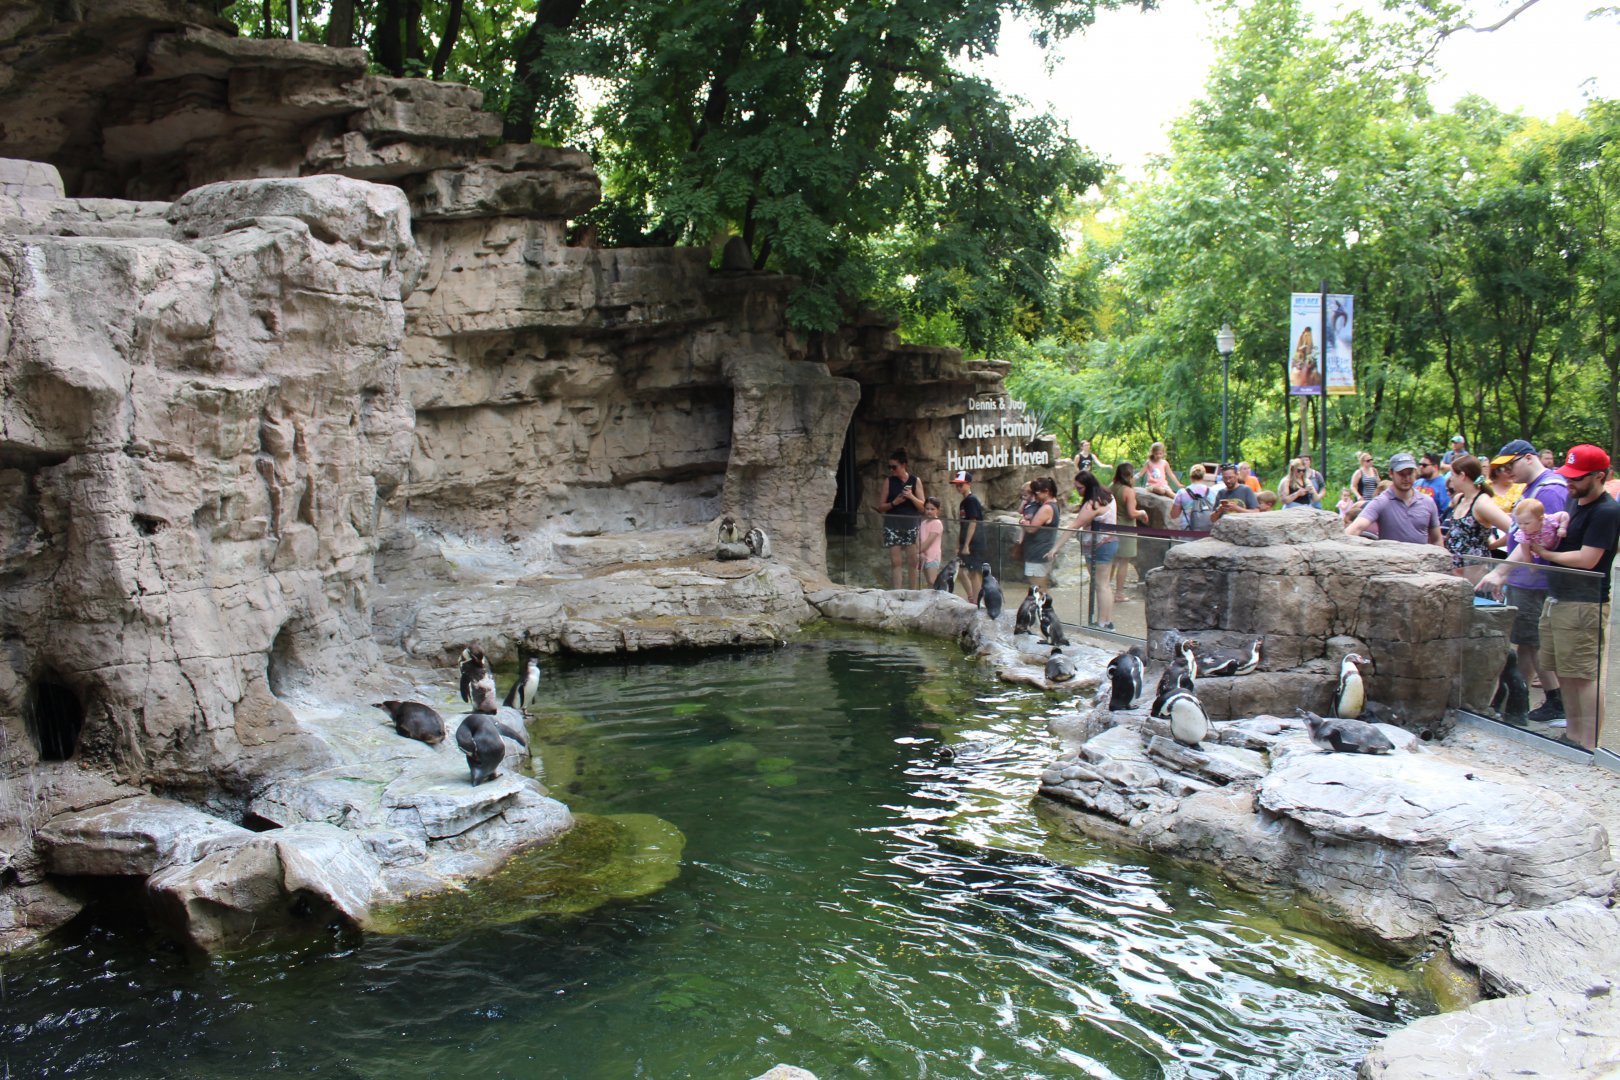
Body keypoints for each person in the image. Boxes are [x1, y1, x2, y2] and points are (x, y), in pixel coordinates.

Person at [1524, 445, 1620, 750]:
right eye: (1569, 476)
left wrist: (1546, 554)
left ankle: (1589, 743)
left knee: (1583, 674)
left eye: (1578, 478)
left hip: (1585, 603)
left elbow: (1589, 559)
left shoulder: (1607, 510)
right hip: (1559, 597)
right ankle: (1573, 734)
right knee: (1564, 670)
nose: (1571, 482)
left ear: (1600, 476)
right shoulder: (1573, 500)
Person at [1477, 439, 1569, 723]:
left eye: (1509, 464)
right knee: (1527, 644)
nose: (1506, 472)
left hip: (1536, 581)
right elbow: (1520, 532)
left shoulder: (1549, 490)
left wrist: (1501, 571)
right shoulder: (1532, 488)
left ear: (1528, 458)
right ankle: (1516, 702)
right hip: (1526, 579)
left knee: (1532, 644)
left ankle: (1551, 701)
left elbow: (1536, 538)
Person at [1344, 452, 1442, 546]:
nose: (1406, 478)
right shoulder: (1382, 502)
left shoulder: (1427, 502)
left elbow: (1437, 539)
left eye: (1410, 473)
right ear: (1391, 473)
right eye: (1401, 474)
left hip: (1421, 560)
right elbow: (1355, 528)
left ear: (1415, 472)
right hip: (1393, 561)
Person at [1442, 455, 1512, 582]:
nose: (1451, 479)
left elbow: (1514, 529)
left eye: (1452, 474)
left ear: (1462, 475)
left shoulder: (1482, 503)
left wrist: (1494, 545)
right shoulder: (1459, 499)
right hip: (1454, 572)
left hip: (1475, 574)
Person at [1072, 470, 1119, 630]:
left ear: (1088, 486)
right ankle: (1105, 620)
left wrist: (1056, 547)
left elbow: (1075, 525)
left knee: (1102, 585)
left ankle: (1102, 623)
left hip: (1100, 546)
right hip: (1106, 543)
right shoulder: (1107, 495)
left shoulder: (1094, 502)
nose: (1077, 491)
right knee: (1102, 584)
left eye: (1079, 488)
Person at [878, 449, 925, 589]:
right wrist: (894, 503)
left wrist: (911, 496)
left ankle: (913, 592)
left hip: (911, 523)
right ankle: (897, 592)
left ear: (903, 465)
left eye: (894, 467)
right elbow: (881, 507)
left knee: (912, 560)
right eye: (889, 467)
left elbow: (923, 507)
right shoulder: (889, 481)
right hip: (893, 524)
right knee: (895, 561)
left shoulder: (915, 481)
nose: (892, 470)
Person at [1108, 462, 1148, 604]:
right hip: (1126, 528)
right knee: (1123, 562)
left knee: (1112, 561)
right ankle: (1119, 593)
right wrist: (1142, 512)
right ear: (1130, 475)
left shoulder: (1111, 488)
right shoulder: (1128, 491)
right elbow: (1131, 513)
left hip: (1112, 527)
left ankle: (1105, 588)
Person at [950, 471, 986, 604]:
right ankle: (972, 596)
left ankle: (977, 601)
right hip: (966, 541)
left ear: (968, 484)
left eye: (961, 484)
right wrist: (959, 544)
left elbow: (973, 521)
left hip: (974, 542)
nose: (958, 487)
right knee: (959, 570)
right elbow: (963, 524)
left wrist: (966, 544)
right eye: (957, 485)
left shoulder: (971, 500)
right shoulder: (964, 502)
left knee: (974, 572)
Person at [1020, 476, 1061, 592]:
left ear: (1046, 492)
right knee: (1038, 586)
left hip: (1038, 552)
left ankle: (1043, 609)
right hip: (1040, 550)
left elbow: (1031, 529)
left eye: (1036, 493)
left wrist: (1023, 522)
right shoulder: (1051, 505)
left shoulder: (1047, 508)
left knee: (1038, 587)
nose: (1034, 496)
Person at [1170, 464, 1219, 529]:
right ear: (1203, 476)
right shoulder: (1212, 492)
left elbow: (1174, 515)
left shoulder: (1182, 492)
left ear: (1190, 476)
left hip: (1187, 530)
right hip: (1207, 531)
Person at [916, 497, 945, 587]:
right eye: (927, 509)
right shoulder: (923, 523)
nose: (929, 511)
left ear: (938, 510)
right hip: (923, 555)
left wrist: (918, 551)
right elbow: (918, 538)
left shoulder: (937, 523)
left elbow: (929, 541)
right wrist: (919, 552)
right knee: (928, 582)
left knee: (932, 582)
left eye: (932, 509)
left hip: (932, 556)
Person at [1415, 453, 1451, 519]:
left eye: (1424, 465)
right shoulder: (1416, 483)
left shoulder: (1444, 485)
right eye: (1420, 464)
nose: (1421, 467)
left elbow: (1445, 511)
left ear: (1435, 467)